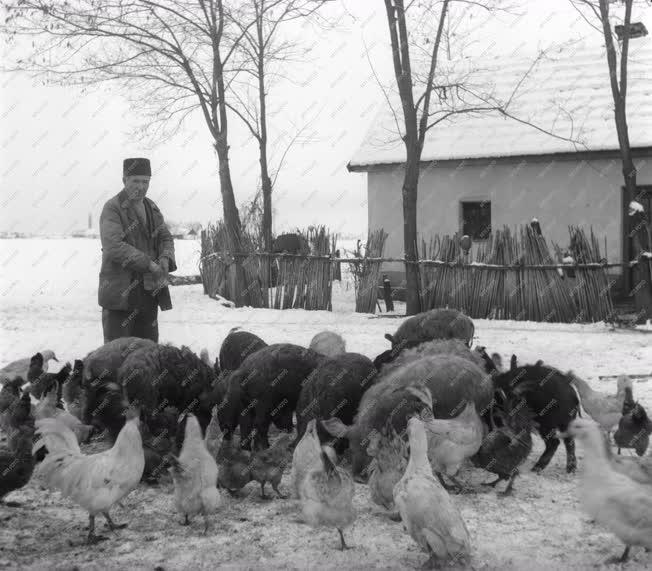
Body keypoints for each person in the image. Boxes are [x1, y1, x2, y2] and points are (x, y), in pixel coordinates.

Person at [98, 158, 176, 343]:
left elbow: (166, 237)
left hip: (149, 293)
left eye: (145, 181)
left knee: (148, 354)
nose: (141, 186)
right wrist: (149, 264)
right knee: (117, 356)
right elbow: (114, 246)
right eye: (135, 181)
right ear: (124, 180)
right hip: (121, 295)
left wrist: (165, 258)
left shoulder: (152, 207)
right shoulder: (112, 208)